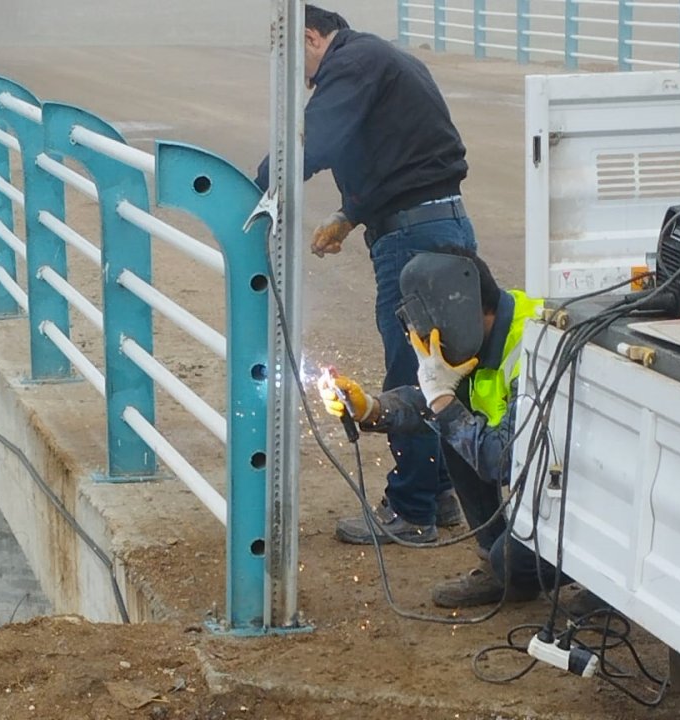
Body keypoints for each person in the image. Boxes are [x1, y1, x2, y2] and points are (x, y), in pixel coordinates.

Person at [256, 5, 475, 545]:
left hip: (413, 241)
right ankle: (441, 493)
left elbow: (311, 143)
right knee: (439, 364)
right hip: (439, 224)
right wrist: (349, 215)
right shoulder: (377, 56)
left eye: (293, 66)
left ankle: (412, 510)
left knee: (411, 372)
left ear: (310, 37)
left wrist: (260, 185)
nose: (301, 82)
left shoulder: (349, 65)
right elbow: (403, 159)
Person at [318, 247, 557, 607]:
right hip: (549, 484)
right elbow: (430, 408)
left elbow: (501, 461)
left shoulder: (534, 349)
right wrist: (371, 408)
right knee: (454, 428)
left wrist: (442, 400)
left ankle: (598, 590)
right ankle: (499, 568)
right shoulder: (484, 333)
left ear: (461, 313)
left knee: (509, 560)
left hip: (583, 506)